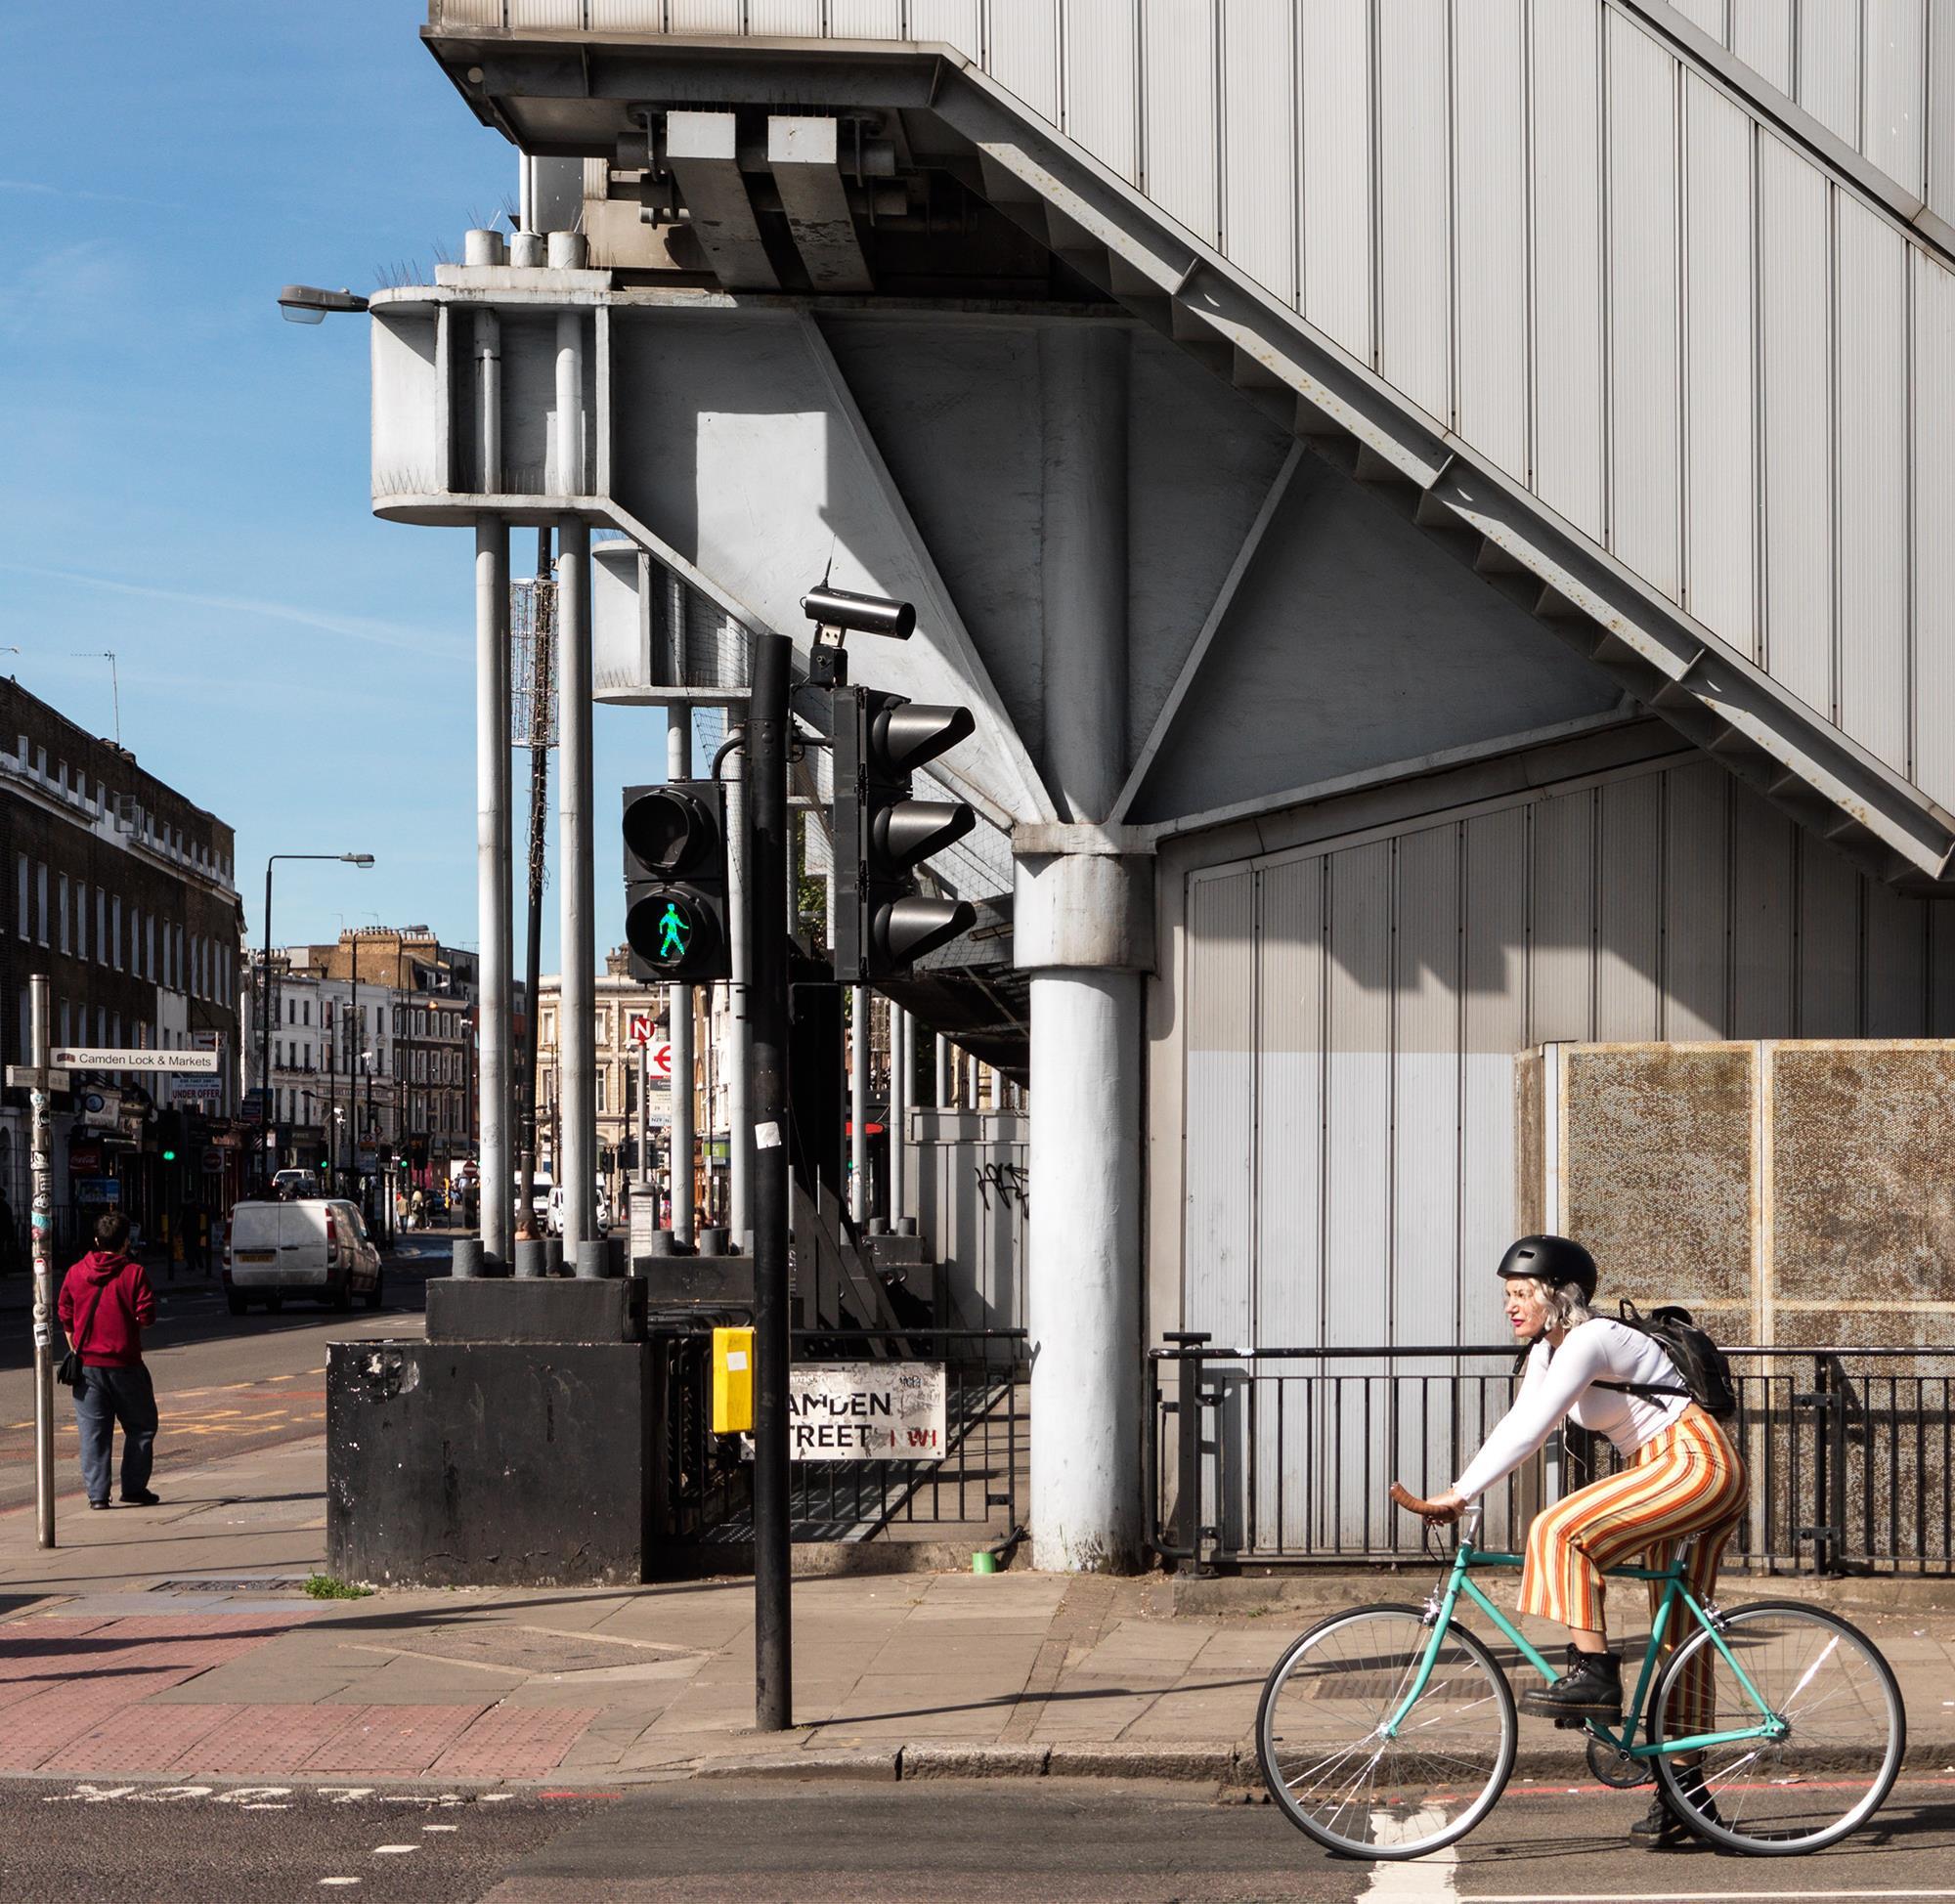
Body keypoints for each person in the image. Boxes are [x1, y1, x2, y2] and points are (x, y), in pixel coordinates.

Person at [1398, 1234, 1747, 1848]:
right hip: (1659, 1467)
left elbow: (1535, 1427)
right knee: (1678, 1638)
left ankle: (1596, 1675)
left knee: (1557, 1529)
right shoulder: (1546, 1352)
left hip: (1695, 1461)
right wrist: (1465, 1490)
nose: (1509, 1305)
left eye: (1520, 1293)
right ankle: (1687, 1800)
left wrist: (1458, 1495)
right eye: (1506, 1295)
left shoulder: (1591, 1339)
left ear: (1555, 1294)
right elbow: (1517, 1422)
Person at [56, 1211, 160, 1511]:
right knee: (141, 1427)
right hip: (126, 1364)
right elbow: (147, 1317)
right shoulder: (134, 1273)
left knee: (93, 1435)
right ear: (126, 1242)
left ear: (96, 1240)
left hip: (87, 1368)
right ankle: (134, 1488)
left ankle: (98, 1496)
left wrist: (76, 1346)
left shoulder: (76, 1272)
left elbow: (65, 1314)